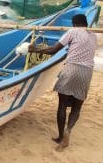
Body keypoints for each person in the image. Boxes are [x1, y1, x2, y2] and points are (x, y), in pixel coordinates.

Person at [27, 14, 97, 151]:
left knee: (62, 105)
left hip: (71, 68)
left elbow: (54, 49)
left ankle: (60, 137)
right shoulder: (94, 35)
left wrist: (35, 49)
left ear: (74, 24)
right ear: (86, 23)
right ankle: (68, 130)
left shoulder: (72, 31)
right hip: (87, 72)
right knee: (77, 107)